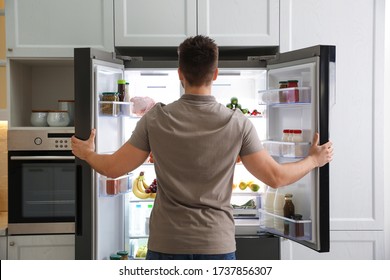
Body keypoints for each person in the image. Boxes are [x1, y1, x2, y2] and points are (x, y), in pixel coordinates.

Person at [71, 35, 333, 260]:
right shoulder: (237, 123)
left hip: (166, 245)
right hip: (216, 245)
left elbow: (114, 168)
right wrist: (313, 159)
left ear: (180, 74)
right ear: (216, 74)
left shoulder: (155, 119)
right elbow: (275, 177)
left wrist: (87, 153)